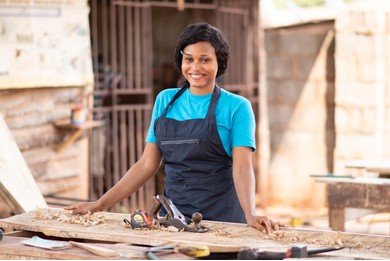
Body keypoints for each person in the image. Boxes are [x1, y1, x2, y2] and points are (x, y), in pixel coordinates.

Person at [65, 22, 285, 234]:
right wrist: (100, 204)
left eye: (205, 60)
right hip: (175, 220)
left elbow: (242, 168)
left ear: (220, 62)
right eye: (188, 59)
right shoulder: (165, 101)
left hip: (224, 220)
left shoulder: (237, 107)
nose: (195, 67)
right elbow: (146, 165)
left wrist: (251, 213)